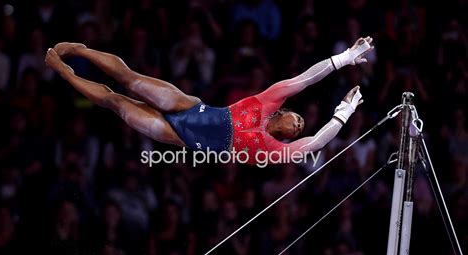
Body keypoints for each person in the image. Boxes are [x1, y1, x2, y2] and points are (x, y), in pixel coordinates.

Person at [45, 37, 373, 165]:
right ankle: (81, 50)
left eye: (298, 128)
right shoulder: (266, 102)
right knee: (130, 79)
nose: (299, 126)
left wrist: (342, 114)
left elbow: (315, 142)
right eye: (298, 119)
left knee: (115, 102)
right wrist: (344, 58)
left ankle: (64, 72)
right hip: (188, 106)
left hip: (175, 135)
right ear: (283, 112)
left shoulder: (270, 150)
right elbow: (305, 79)